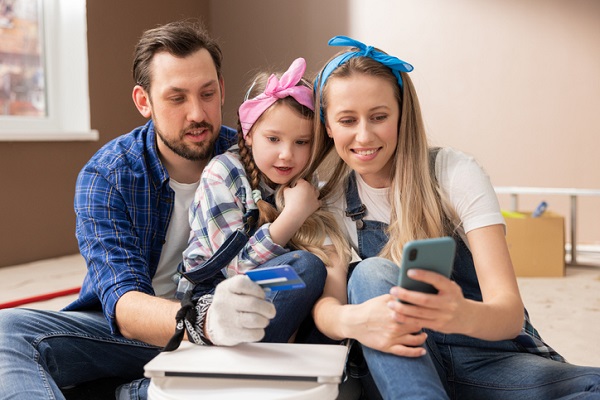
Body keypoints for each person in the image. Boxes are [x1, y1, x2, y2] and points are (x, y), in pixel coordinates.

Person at [0, 20, 282, 400]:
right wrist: (204, 321)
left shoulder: (259, 158)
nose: (197, 113)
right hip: (142, 333)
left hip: (239, 337)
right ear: (143, 102)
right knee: (8, 332)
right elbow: (125, 305)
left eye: (207, 93)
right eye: (176, 98)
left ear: (222, 91)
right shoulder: (108, 175)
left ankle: (140, 392)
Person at [311, 35, 600, 399]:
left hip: (489, 359)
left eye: (380, 116)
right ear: (327, 125)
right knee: (370, 273)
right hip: (405, 364)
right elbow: (327, 304)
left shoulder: (453, 172)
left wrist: (458, 313)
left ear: (402, 115)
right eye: (348, 120)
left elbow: (509, 313)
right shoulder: (332, 200)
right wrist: (351, 320)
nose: (364, 135)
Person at [172, 57, 348, 347]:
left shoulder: (305, 183)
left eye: (301, 142)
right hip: (216, 302)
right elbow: (233, 271)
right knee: (304, 266)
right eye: (274, 139)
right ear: (250, 134)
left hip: (271, 301)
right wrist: (292, 215)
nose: (286, 155)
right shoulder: (223, 173)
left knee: (335, 275)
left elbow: (328, 253)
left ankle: (308, 364)